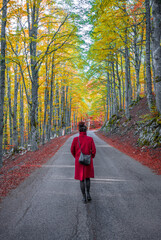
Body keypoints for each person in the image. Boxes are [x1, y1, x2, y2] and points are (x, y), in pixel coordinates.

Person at [71, 122, 96, 203]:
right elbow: (94, 151)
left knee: (81, 179)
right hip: (88, 161)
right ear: (86, 131)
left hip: (79, 161)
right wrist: (91, 157)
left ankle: (84, 197)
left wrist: (76, 157)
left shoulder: (75, 140)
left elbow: (72, 150)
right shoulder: (90, 139)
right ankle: (88, 194)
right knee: (87, 178)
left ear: (79, 131)